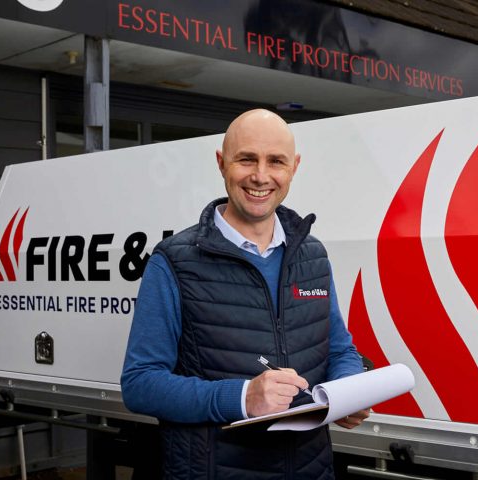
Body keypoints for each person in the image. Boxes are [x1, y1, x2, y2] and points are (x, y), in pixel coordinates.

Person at [121, 109, 369, 479]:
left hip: (310, 470)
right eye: (247, 159)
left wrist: (348, 391)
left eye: (276, 161)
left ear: (294, 167)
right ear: (222, 163)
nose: (261, 175)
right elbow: (140, 384)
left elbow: (338, 349)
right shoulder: (174, 261)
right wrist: (242, 398)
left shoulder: (311, 254)